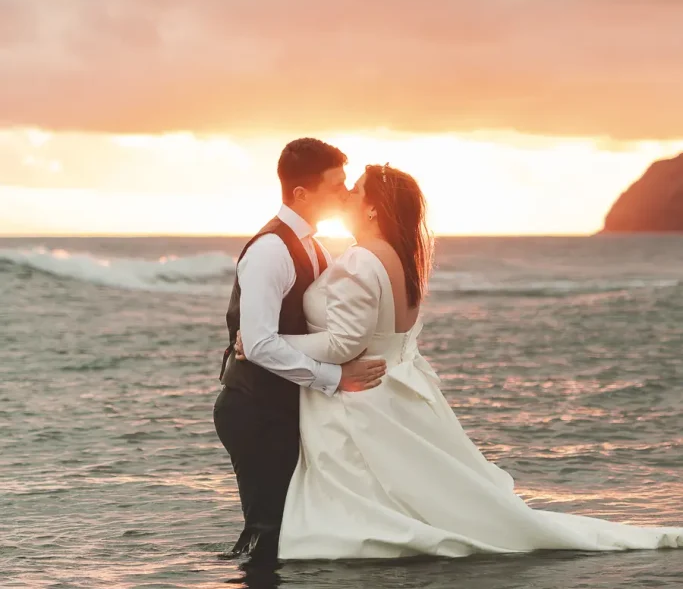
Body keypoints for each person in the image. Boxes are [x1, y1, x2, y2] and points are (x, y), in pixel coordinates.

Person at [237, 162, 683, 559]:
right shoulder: (399, 256)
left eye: (355, 190)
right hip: (396, 383)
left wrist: (273, 341)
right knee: (415, 487)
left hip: (360, 394)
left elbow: (343, 346)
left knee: (373, 494)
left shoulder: (358, 261)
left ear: (373, 209)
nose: (347, 195)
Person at [213, 138, 386, 563]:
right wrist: (336, 379)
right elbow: (257, 344)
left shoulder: (315, 246)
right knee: (268, 535)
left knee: (285, 531)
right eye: (336, 185)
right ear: (301, 194)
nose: (345, 193)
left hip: (281, 409)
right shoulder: (271, 250)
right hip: (253, 411)